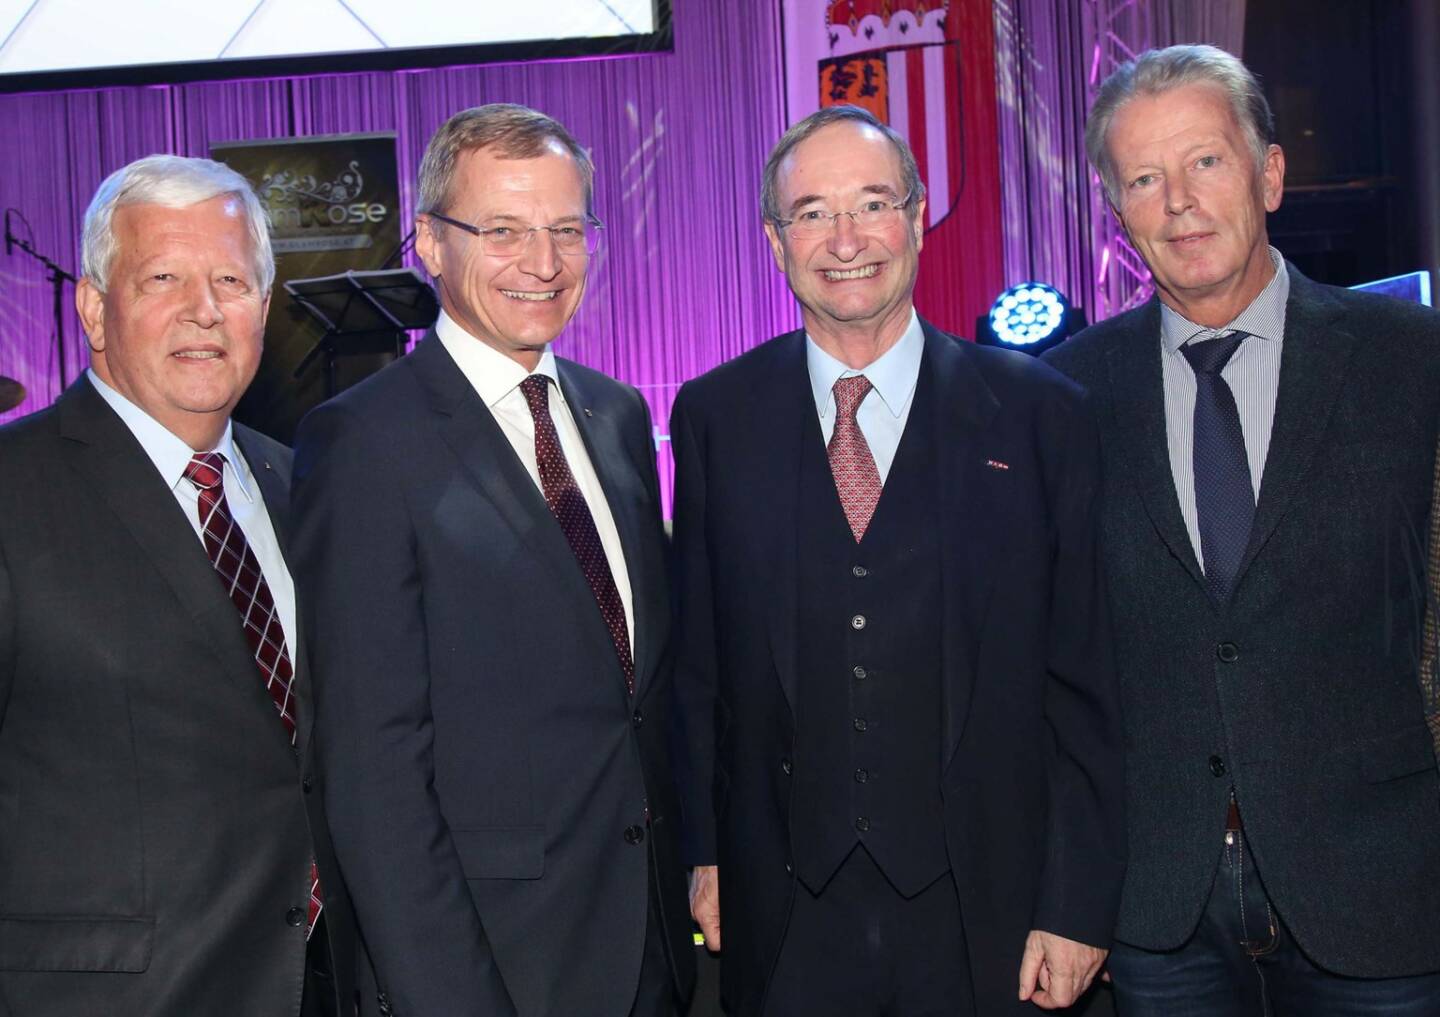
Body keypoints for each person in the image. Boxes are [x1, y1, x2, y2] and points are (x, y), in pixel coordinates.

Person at [670, 104, 1125, 1016]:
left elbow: (1086, 682)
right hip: (788, 914)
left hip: (988, 917)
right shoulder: (716, 415)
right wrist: (704, 848)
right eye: (812, 213)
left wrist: (1078, 902)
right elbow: (698, 669)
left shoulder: (1042, 415)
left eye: (873, 203)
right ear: (774, 239)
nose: (845, 239)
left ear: (917, 220)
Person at [1044, 44, 1440, 1015]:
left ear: (1269, 174)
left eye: (1205, 161)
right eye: (1144, 178)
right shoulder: (1062, 396)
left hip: (1382, 895)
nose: (1177, 200)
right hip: (1155, 914)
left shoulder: (1412, 363)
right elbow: (1046, 665)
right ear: (1119, 212)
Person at [290, 104, 696, 1017]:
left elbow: (638, 697)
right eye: (503, 230)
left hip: (648, 950)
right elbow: (371, 766)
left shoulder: (617, 415)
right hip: (493, 965)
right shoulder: (364, 443)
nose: (542, 262)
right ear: (430, 242)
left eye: (566, 229)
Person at [0, 154, 355, 1017]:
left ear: (265, 310)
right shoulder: (13, 490)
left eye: (231, 280)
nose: (204, 310)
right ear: (93, 306)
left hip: (323, 987)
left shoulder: (306, 487)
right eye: (163, 277)